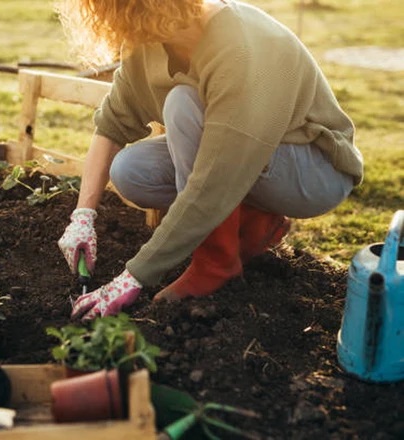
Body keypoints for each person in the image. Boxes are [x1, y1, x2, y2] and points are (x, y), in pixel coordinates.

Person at [56, 0, 363, 320]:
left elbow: (214, 180)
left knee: (181, 104)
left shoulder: (239, 47)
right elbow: (111, 125)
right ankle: (255, 222)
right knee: (132, 171)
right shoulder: (148, 42)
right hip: (245, 158)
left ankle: (216, 262)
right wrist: (83, 216)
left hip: (313, 170)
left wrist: (132, 277)